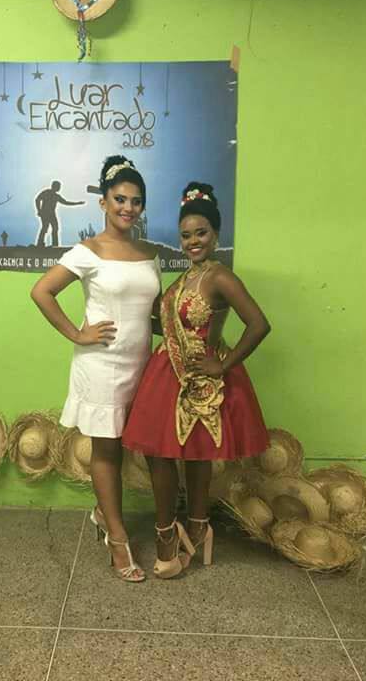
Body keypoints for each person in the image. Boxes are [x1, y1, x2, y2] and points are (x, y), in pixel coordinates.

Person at [123, 182, 271, 579]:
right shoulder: (185, 277)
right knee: (164, 454)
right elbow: (173, 325)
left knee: (197, 453)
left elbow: (258, 324)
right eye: (186, 235)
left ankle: (195, 528)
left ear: (216, 235)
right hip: (167, 373)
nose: (192, 241)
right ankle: (172, 531)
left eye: (201, 233)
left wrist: (225, 364)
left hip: (202, 379)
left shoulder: (221, 277)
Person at [31, 156, 161, 582]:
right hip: (103, 364)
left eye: (136, 201)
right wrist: (77, 333)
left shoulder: (150, 254)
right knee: (107, 448)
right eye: (120, 199)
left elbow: (152, 312)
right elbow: (42, 291)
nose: (128, 207)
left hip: (142, 364)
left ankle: (103, 513)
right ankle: (117, 538)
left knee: (132, 444)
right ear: (104, 202)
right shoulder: (88, 251)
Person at [35, 181, 85, 247]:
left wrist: (77, 203)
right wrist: (39, 210)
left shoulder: (56, 196)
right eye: (58, 186)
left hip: (52, 214)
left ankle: (55, 244)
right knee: (45, 227)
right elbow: (37, 199)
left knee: (55, 228)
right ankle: (40, 243)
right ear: (54, 186)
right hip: (45, 213)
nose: (59, 188)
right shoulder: (46, 192)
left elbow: (66, 202)